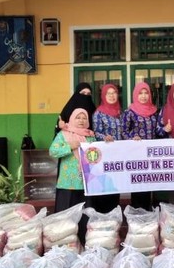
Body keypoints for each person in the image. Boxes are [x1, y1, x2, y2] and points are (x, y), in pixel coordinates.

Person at [49, 108, 96, 243]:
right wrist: (70, 146)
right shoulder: (63, 135)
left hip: (86, 182)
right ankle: (65, 243)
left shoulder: (90, 136)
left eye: (84, 118)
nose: (81, 121)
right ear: (72, 119)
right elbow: (53, 151)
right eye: (78, 118)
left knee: (85, 214)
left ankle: (82, 242)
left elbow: (96, 156)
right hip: (68, 183)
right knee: (66, 217)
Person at [122, 82, 159, 210]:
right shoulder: (130, 112)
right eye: (140, 93)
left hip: (152, 155)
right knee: (138, 184)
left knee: (150, 183)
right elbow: (123, 131)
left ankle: (149, 213)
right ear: (135, 95)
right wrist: (132, 138)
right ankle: (137, 213)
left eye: (146, 93)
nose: (143, 96)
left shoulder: (154, 111)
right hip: (136, 154)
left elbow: (158, 131)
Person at [91, 83, 123, 214]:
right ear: (103, 95)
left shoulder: (120, 112)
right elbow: (95, 132)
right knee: (104, 186)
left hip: (118, 156)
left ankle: (113, 217)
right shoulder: (98, 113)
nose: (111, 96)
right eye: (108, 93)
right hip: (104, 157)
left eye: (114, 93)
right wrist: (104, 137)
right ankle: (102, 216)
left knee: (115, 186)